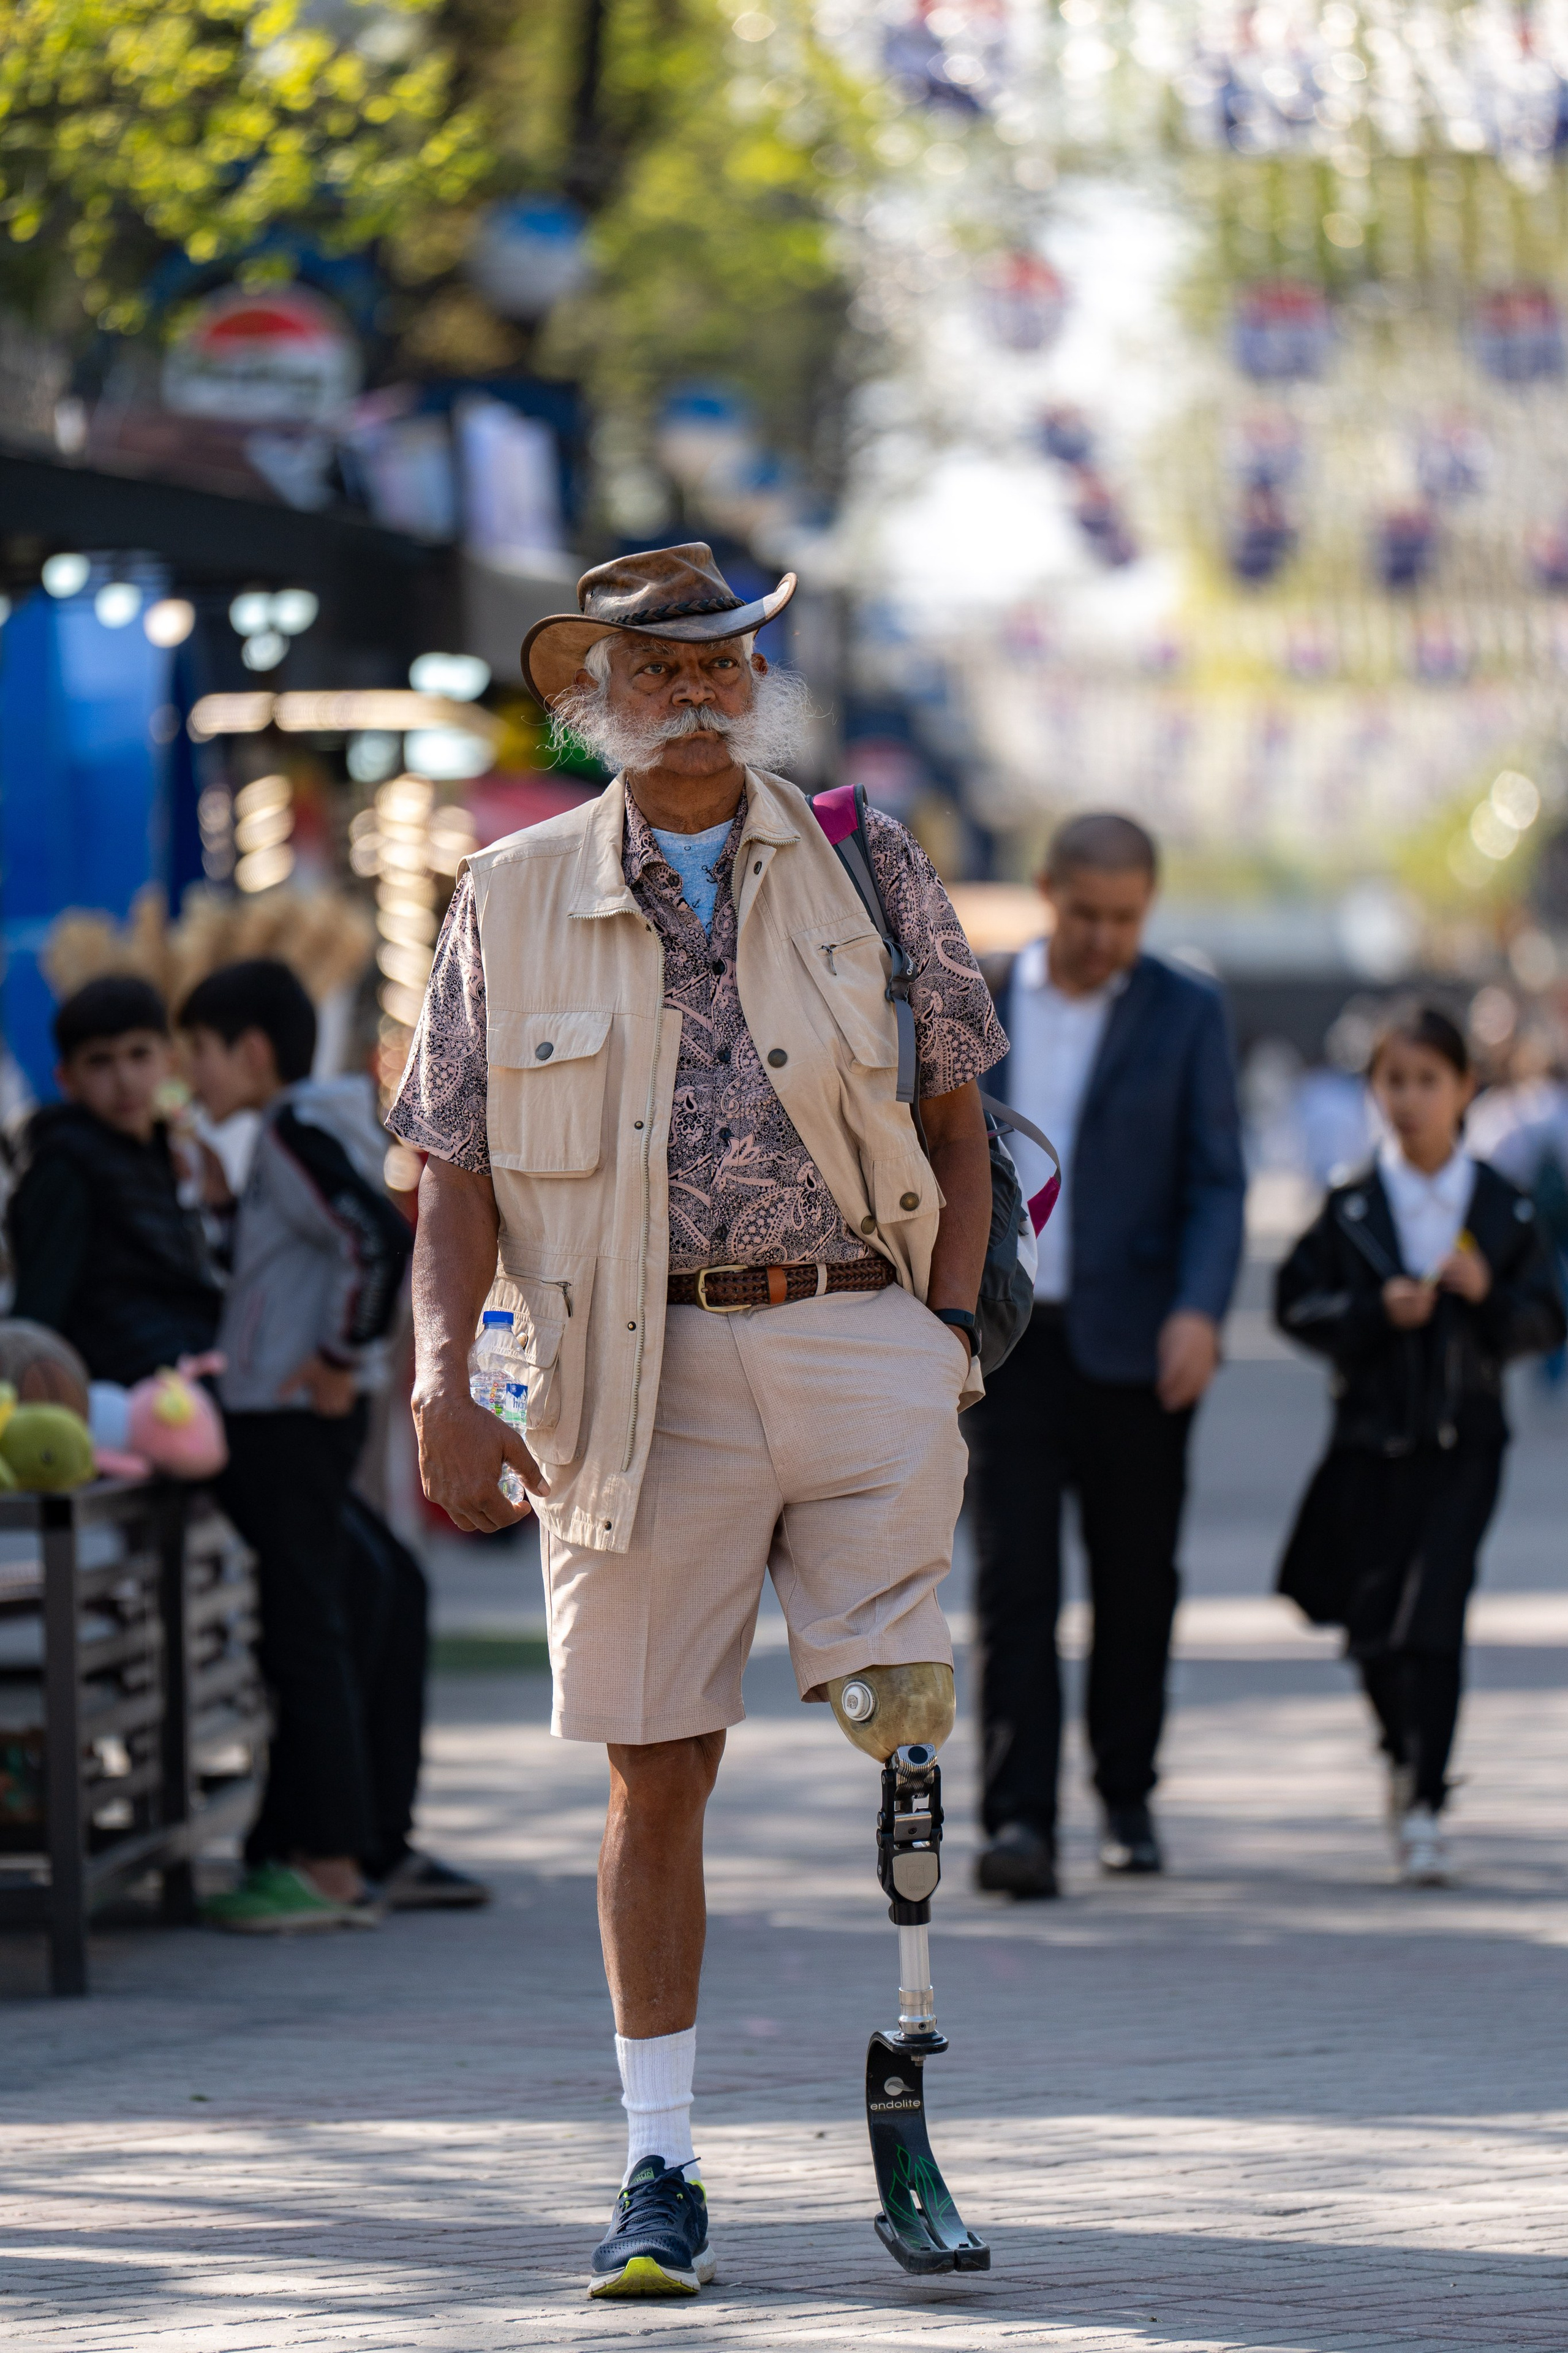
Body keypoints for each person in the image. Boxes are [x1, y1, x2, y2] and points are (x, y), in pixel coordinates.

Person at [389, 542, 1005, 2298]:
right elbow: (454, 1170)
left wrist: (940, 1342)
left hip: (858, 1342)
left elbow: (959, 1126)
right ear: (595, 695)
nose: (689, 691)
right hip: (624, 1375)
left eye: (718, 659)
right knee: (657, 1770)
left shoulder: (869, 860)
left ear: (758, 676)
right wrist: (445, 1380)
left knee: (902, 1728)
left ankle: (906, 2072)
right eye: (651, 667)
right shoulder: (505, 894)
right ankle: (658, 2162)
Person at [967, 814, 1246, 1895]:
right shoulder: (979, 997)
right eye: (1087, 914)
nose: (1104, 938)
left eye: (1126, 919)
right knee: (1013, 1586)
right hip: (1014, 1342)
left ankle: (1127, 1795)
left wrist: (1203, 1310)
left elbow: (1217, 1177)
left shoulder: (1188, 1011)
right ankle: (1018, 1822)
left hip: (1143, 1342)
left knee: (1139, 1583)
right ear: (1047, 892)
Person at [179, 959, 481, 1929]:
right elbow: (291, 1260)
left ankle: (330, 1865)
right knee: (354, 1596)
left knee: (304, 1632)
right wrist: (227, 1210)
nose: (192, 1077)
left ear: (253, 1050)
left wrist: (338, 1354)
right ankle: (336, 1846)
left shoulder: (295, 1132)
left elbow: (371, 1240)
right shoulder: (297, 1134)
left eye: (199, 1053)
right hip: (288, 1413)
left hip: (283, 1420)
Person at [1274, 1002, 1563, 1886]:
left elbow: (1546, 1318)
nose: (1409, 1099)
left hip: (1465, 1443)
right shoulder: (1354, 1203)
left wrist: (1487, 1297)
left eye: (1427, 1081)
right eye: (1394, 1081)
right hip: (1369, 1441)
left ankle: (1429, 1803)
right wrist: (1371, 1312)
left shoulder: (1502, 1204)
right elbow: (1295, 1303)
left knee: (1432, 1618)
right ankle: (1402, 1754)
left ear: (1466, 1089)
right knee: (1370, 1627)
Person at [8, 975, 222, 1381]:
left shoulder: (167, 1153)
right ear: (66, 1080)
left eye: (139, 1055)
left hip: (184, 1386)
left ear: (170, 1061)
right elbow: (38, 1316)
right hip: (118, 1405)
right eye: (100, 1061)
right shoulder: (65, 1166)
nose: (124, 1079)